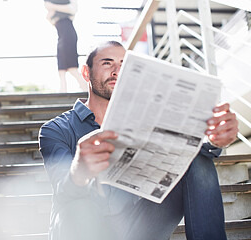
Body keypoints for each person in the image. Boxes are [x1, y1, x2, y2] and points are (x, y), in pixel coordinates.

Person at [39, 41, 238, 240]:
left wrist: (215, 140)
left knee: (197, 159)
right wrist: (79, 170)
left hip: (138, 226)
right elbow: (62, 189)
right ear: (86, 73)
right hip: (84, 227)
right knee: (77, 205)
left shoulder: (149, 120)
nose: (117, 71)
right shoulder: (55, 129)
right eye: (107, 63)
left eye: (124, 65)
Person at [44, 0, 88, 92]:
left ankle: (84, 87)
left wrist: (52, 7)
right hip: (61, 36)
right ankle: (63, 89)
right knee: (61, 64)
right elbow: (49, 18)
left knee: (72, 66)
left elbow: (72, 9)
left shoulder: (66, 4)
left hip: (68, 35)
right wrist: (51, 9)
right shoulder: (55, 6)